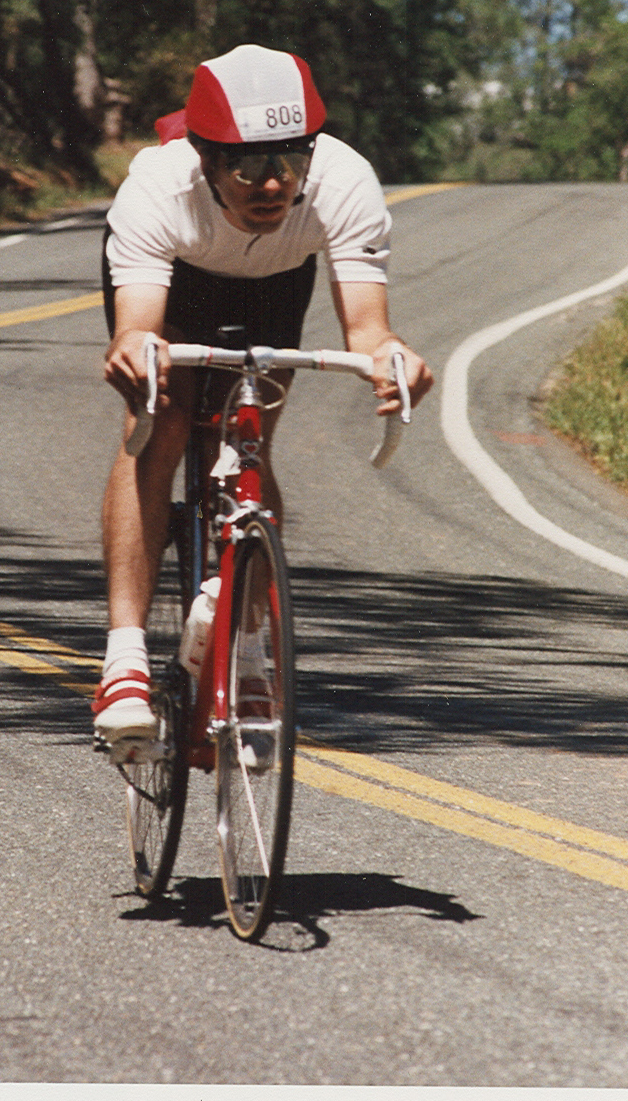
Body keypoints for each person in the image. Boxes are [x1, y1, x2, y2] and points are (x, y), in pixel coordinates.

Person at [93, 43, 434, 746]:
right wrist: (135, 352)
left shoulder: (345, 181)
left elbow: (369, 330)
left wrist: (391, 358)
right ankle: (123, 658)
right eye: (248, 164)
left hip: (276, 280)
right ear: (207, 158)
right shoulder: (157, 187)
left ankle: (247, 651)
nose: (273, 184)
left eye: (290, 160)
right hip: (176, 283)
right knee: (163, 414)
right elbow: (137, 331)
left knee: (247, 436)